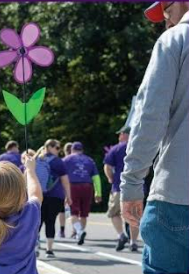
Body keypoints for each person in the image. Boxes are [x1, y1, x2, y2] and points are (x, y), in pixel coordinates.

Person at [120, 2, 189, 273]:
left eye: (166, 10)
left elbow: (150, 117)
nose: (165, 20)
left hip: (177, 197)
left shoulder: (175, 40)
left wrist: (132, 183)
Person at [104, 127, 139, 251]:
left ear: (124, 134)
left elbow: (107, 166)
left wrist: (111, 178)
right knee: (134, 216)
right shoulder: (138, 146)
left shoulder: (116, 148)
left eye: (120, 134)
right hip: (136, 186)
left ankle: (121, 235)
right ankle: (133, 242)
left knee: (114, 213)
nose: (119, 136)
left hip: (119, 186)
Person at [37, 139, 72, 258]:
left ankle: (35, 247)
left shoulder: (36, 159)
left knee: (37, 222)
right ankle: (49, 249)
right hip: (55, 196)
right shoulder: (58, 162)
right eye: (57, 148)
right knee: (51, 222)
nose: (58, 150)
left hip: (38, 196)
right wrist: (69, 196)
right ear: (50, 147)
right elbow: (65, 181)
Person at [63, 142, 102, 245]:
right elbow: (96, 177)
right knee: (84, 213)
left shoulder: (67, 159)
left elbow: (61, 175)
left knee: (73, 212)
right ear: (82, 150)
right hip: (87, 187)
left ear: (72, 149)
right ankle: (80, 234)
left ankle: (80, 232)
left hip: (73, 186)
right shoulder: (89, 160)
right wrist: (98, 193)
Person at [58, 142, 73, 238]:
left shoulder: (62, 161)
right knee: (76, 211)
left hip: (65, 188)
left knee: (63, 211)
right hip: (79, 186)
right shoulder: (79, 160)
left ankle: (62, 230)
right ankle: (76, 230)